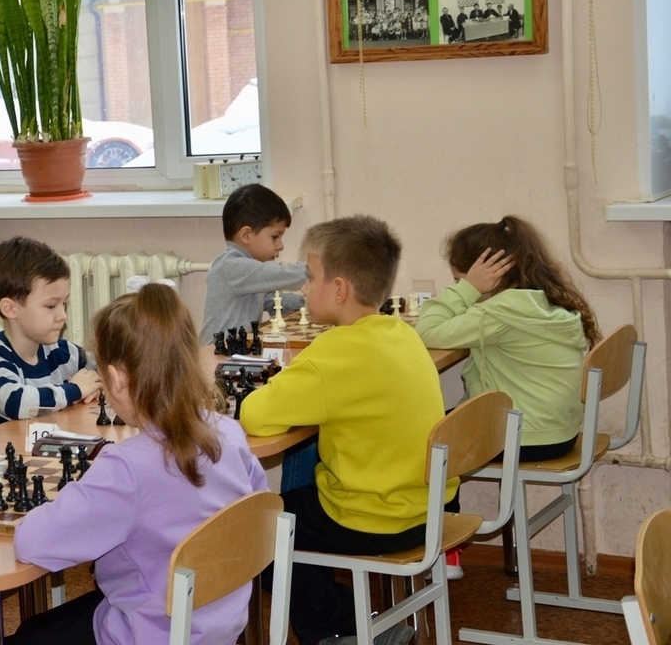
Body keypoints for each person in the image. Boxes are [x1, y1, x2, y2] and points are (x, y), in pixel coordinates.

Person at [7, 284, 267, 645]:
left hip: (149, 633)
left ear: (116, 379)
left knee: (27, 636)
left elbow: (32, 543)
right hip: (219, 622)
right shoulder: (229, 432)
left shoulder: (126, 468)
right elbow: (260, 510)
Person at [239, 216, 452, 645]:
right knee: (296, 510)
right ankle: (362, 621)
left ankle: (344, 629)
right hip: (428, 507)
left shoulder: (335, 352)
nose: (303, 288)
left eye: (309, 277)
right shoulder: (403, 333)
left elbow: (255, 415)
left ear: (338, 289)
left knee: (254, 530)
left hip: (372, 517)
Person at [415, 216, 598, 462]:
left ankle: (442, 491)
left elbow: (426, 332)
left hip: (523, 438)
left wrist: (468, 289)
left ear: (490, 275)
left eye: (460, 281)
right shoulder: (538, 299)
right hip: (556, 432)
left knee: (419, 435)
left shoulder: (500, 313)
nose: (461, 287)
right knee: (436, 424)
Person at [0, 236, 102, 434]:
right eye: (51, 306)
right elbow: (18, 403)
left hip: (38, 451)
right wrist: (76, 389)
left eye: (64, 304)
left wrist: (98, 383)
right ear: (10, 308)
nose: (62, 316)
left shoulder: (60, 352)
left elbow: (105, 366)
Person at [200, 183, 306, 345]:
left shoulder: (252, 276)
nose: (280, 246)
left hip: (238, 351)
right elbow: (278, 274)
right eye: (275, 237)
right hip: (216, 354)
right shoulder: (230, 267)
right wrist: (317, 270)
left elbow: (275, 301)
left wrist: (309, 305)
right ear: (246, 235)